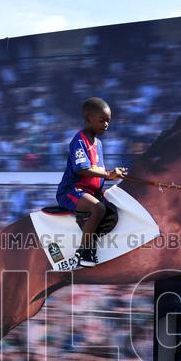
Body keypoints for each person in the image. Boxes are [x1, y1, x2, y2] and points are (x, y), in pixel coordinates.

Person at [55, 97, 127, 267]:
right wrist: (109, 174)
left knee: (113, 208)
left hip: (90, 193)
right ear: (88, 119)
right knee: (98, 208)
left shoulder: (99, 144)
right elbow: (82, 169)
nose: (106, 125)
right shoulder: (79, 140)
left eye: (108, 121)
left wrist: (115, 175)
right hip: (72, 191)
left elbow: (98, 175)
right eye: (102, 121)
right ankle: (83, 251)